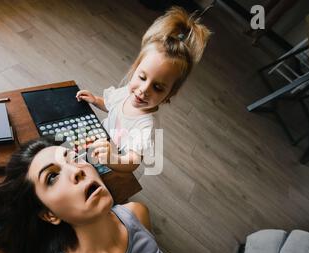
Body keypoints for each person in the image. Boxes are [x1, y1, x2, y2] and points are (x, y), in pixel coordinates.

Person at [0, 138, 201, 253]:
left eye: (74, 158)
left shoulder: (137, 214)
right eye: (53, 177)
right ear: (49, 214)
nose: (77, 170)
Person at [76, 6, 211, 173]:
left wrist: (112, 159)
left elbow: (132, 161)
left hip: (117, 166)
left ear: (170, 93)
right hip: (102, 143)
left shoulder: (146, 126)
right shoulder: (127, 93)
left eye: (157, 87)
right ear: (135, 69)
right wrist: (96, 101)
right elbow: (112, 106)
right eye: (142, 77)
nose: (144, 90)